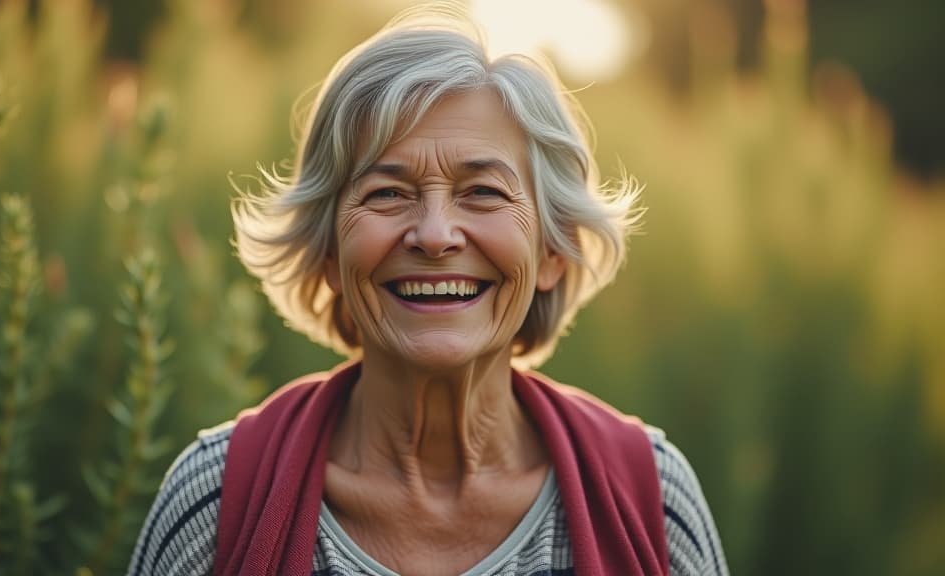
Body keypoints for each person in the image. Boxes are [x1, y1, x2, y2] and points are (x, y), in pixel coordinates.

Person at [128, 5, 727, 576]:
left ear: (552, 249)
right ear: (329, 251)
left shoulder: (652, 500)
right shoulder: (217, 500)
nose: (435, 235)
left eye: (484, 192)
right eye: (387, 193)